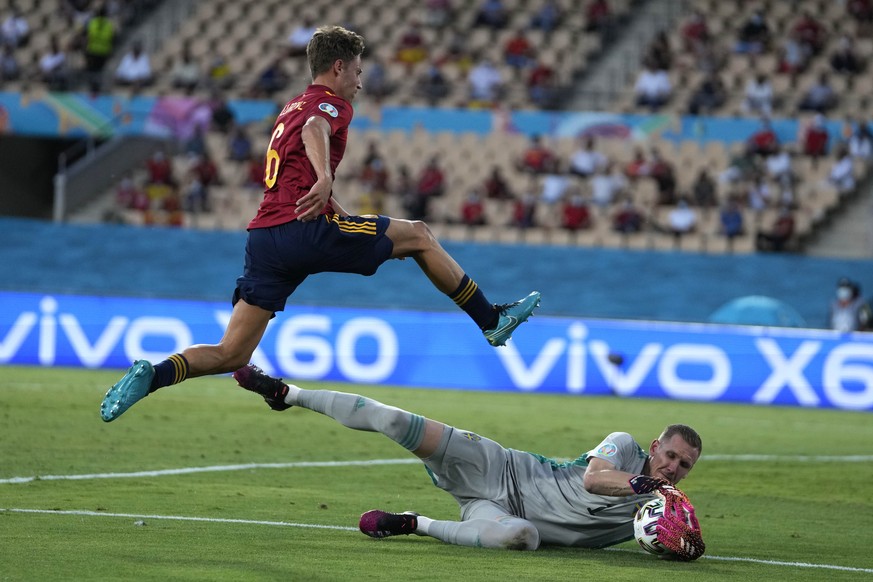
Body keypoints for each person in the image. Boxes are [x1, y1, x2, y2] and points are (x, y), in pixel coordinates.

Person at [100, 26, 541, 423]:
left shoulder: (290, 106)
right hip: (304, 229)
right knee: (419, 235)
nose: (360, 82)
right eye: (357, 71)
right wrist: (327, 178)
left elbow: (297, 162)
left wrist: (337, 204)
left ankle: (152, 375)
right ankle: (490, 320)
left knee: (231, 352)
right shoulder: (329, 105)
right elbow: (315, 131)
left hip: (265, 238)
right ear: (338, 67)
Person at [229, 363, 706, 559]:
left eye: (684, 466)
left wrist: (682, 547)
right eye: (670, 456)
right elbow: (594, 480)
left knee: (521, 537)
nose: (673, 469)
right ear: (653, 446)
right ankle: (286, 392)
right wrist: (648, 488)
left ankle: (414, 523)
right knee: (395, 422)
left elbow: (667, 542)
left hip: (502, 512)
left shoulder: (662, 510)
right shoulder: (623, 448)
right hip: (501, 468)